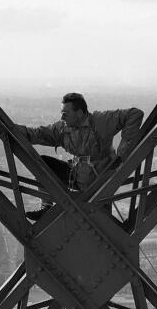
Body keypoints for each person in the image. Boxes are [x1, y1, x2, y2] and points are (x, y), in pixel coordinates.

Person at [16, 92, 144, 220]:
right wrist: (12, 129)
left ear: (79, 113)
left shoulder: (100, 121)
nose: (62, 117)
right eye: (62, 113)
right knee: (43, 163)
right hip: (77, 176)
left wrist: (122, 154)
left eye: (66, 114)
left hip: (99, 181)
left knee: (100, 220)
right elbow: (37, 134)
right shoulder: (63, 128)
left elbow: (134, 114)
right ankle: (46, 206)